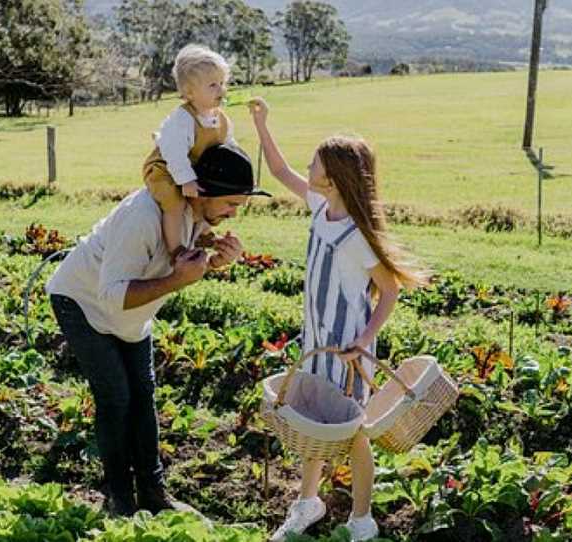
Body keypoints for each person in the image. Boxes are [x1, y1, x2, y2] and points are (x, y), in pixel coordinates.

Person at [46, 144, 269, 516]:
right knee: (116, 399)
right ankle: (120, 500)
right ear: (205, 191)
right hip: (82, 302)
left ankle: (155, 494)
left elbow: (174, 256)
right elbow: (113, 294)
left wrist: (213, 262)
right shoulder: (144, 217)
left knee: (143, 397)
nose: (233, 214)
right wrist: (178, 281)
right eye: (231, 204)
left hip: (129, 315)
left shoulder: (190, 212)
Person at [248, 97, 428, 541]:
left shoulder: (355, 236)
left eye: (315, 161)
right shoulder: (318, 206)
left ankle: (361, 518)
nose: (306, 165)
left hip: (348, 349)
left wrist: (365, 340)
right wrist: (261, 125)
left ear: (331, 177)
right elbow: (277, 171)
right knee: (316, 421)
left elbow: (389, 290)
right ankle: (308, 503)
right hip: (317, 338)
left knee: (352, 431)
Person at [142, 43, 237, 260]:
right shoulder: (183, 119)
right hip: (166, 169)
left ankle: (202, 235)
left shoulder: (220, 118)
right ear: (189, 93)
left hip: (194, 170)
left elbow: (229, 147)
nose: (221, 90)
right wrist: (185, 180)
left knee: (207, 197)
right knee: (174, 203)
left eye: (222, 83)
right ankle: (177, 250)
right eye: (213, 85)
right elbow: (174, 152)